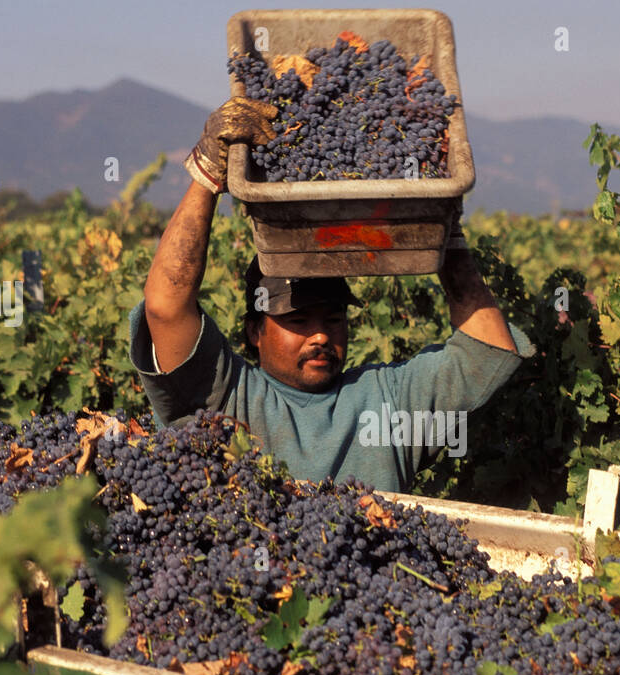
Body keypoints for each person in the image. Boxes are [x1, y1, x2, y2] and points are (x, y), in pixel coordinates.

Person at [127, 97, 533, 493]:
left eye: (333, 320)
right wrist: (208, 177)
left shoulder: (388, 400)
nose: (320, 336)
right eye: (298, 321)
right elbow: (166, 306)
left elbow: (487, 352)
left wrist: (442, 227)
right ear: (254, 331)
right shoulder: (226, 396)